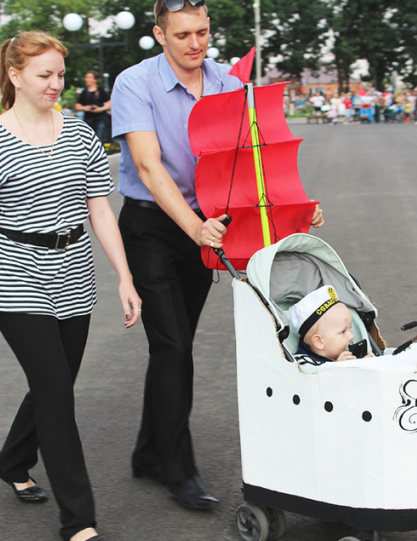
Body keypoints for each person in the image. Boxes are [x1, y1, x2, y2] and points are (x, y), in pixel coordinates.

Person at [0, 31, 142, 541]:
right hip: (16, 280)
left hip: (74, 276)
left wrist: (124, 277)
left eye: (60, 75)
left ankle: (11, 462)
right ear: (15, 76)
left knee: (54, 384)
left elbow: (98, 208)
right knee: (57, 395)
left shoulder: (82, 132)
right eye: (44, 75)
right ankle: (78, 519)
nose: (55, 84)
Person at [111, 0, 324, 510]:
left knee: (174, 344)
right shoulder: (134, 83)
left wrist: (298, 210)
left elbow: (256, 160)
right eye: (183, 34)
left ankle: (147, 451)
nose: (195, 44)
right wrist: (194, 229)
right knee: (173, 346)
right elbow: (147, 166)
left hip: (208, 229)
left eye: (202, 31)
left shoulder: (231, 85)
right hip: (153, 229)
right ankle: (176, 470)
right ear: (160, 34)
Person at [289, 286, 373, 366]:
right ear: (319, 341)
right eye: (343, 332)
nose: (352, 336)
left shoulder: (350, 356)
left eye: (350, 329)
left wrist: (367, 363)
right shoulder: (303, 363)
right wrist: (337, 368)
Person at [75, 71, 111, 143]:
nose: (87, 79)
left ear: (95, 79)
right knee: (87, 141)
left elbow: (110, 103)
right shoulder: (84, 92)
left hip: (100, 119)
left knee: (99, 140)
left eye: (89, 77)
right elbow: (77, 106)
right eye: (86, 77)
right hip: (88, 120)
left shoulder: (101, 91)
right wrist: (85, 108)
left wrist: (100, 109)